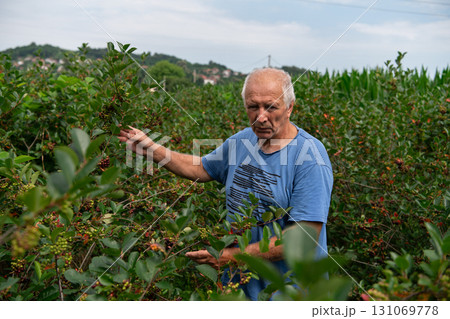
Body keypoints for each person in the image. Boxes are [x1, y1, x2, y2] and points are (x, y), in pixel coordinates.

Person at [119, 68, 333, 300]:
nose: (261, 117)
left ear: (290, 107)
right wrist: (152, 149)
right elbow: (201, 168)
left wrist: (231, 257)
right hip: (237, 292)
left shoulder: (310, 156)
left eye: (271, 107)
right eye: (253, 107)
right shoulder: (242, 141)